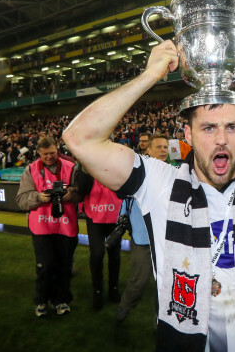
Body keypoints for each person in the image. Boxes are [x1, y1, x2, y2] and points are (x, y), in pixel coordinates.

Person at [62, 40, 235, 352]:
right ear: (188, 135)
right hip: (183, 341)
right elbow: (79, 138)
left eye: (232, 127)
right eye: (209, 128)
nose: (222, 140)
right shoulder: (159, 183)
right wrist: (149, 76)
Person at [16, 135, 81, 317]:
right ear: (38, 152)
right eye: (45, 154)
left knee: (64, 266)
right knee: (45, 266)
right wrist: (38, 197)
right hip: (42, 226)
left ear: (57, 149)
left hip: (66, 226)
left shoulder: (70, 167)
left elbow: (81, 194)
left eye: (52, 153)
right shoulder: (31, 170)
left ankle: (61, 300)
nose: (49, 157)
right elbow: (21, 200)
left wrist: (71, 194)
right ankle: (41, 301)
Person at [117, 133, 170, 322]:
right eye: (159, 147)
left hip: (166, 240)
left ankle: (160, 319)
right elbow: (125, 202)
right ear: (148, 150)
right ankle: (124, 307)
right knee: (138, 281)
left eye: (165, 147)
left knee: (165, 284)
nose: (163, 150)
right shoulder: (138, 174)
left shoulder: (173, 173)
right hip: (143, 239)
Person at [75, 163, 123, 310]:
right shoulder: (86, 162)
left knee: (114, 254)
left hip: (114, 213)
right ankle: (97, 291)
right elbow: (81, 189)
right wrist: (84, 168)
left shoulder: (116, 160)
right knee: (97, 254)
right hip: (94, 215)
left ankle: (113, 289)